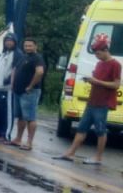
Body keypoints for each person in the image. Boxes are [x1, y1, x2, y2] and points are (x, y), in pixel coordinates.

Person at [54, 34, 120, 164]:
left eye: (98, 53)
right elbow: (97, 80)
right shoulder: (100, 63)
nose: (96, 56)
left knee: (100, 130)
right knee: (81, 128)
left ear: (106, 50)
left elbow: (116, 84)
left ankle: (98, 158)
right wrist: (91, 81)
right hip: (92, 101)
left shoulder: (115, 64)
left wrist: (97, 81)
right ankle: (70, 153)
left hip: (103, 102)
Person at [9, 38, 45, 151]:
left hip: (29, 92)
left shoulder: (37, 58)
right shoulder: (23, 57)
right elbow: (15, 70)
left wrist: (31, 86)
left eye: (30, 46)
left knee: (30, 117)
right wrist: (12, 83)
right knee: (21, 117)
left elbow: (40, 72)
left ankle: (29, 142)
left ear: (35, 46)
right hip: (18, 90)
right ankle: (18, 139)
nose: (27, 48)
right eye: (26, 46)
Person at [0, 33, 20, 142]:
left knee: (6, 112)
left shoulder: (17, 54)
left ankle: (5, 134)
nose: (8, 42)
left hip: (7, 89)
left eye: (11, 41)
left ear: (15, 42)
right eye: (7, 41)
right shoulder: (3, 54)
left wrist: (9, 81)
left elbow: (16, 70)